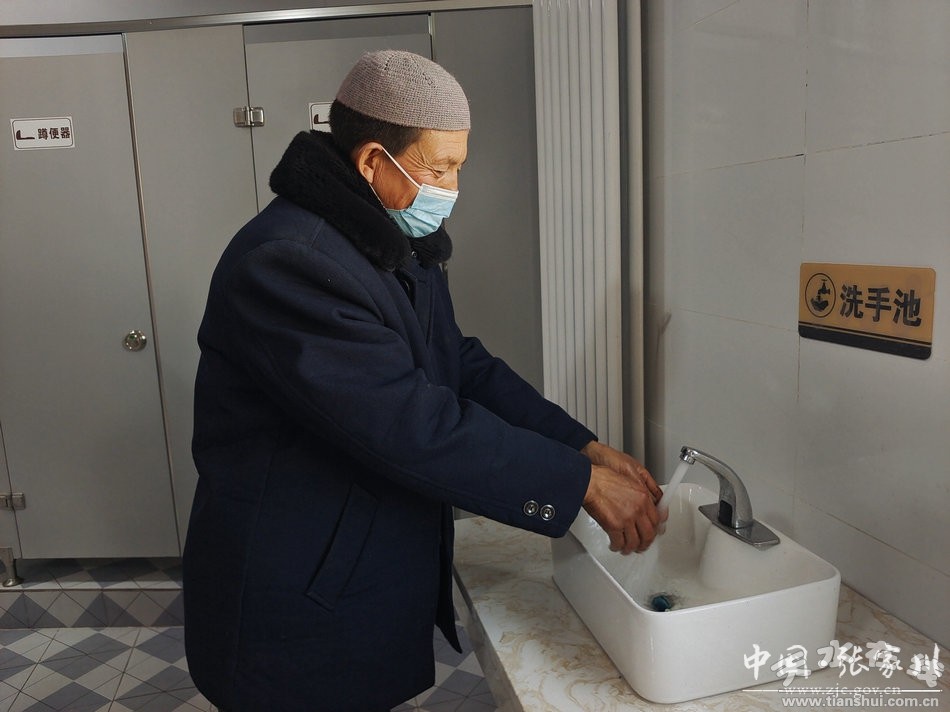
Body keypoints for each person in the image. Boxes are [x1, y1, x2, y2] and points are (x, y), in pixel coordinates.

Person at [182, 50, 664, 712]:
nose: (452, 187)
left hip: (352, 561)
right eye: (438, 169)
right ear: (372, 162)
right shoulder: (290, 263)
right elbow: (411, 425)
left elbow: (457, 364)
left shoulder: (389, 244)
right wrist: (577, 484)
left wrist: (580, 446)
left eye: (459, 166)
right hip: (296, 585)